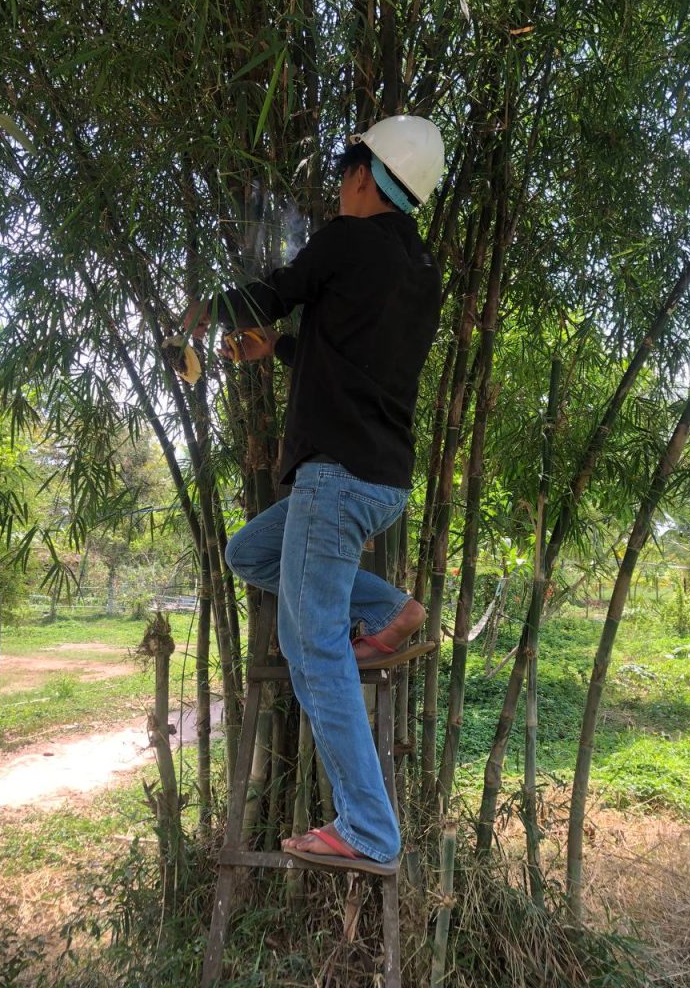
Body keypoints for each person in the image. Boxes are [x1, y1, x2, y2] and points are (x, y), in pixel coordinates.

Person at [188, 115, 445, 872]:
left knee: (313, 644)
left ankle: (369, 827)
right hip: (383, 480)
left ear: (364, 174)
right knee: (248, 552)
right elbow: (349, 358)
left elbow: (274, 292)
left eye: (342, 176)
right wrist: (279, 348)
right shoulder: (420, 270)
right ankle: (391, 610)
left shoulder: (345, 239)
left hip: (333, 480)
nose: (338, 190)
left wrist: (208, 311)